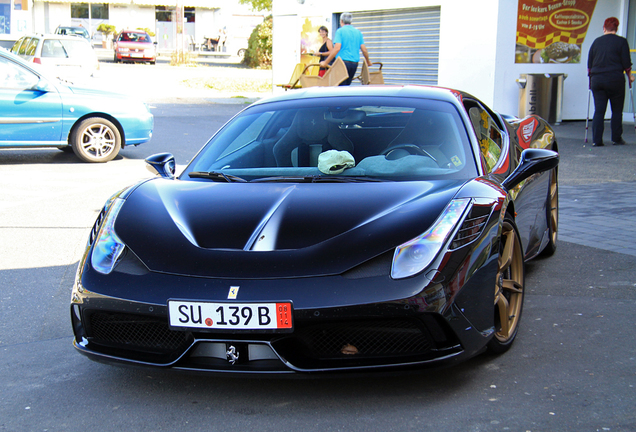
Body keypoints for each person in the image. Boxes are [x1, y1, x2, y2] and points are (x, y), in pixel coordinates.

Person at [587, 17, 635, 146]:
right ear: (616, 28)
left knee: (599, 111)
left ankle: (597, 140)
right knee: (617, 111)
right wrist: (630, 76)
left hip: (597, 80)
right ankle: (616, 138)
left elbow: (590, 64)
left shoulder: (596, 42)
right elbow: (626, 64)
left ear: (604, 28)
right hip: (615, 80)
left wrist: (591, 77)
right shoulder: (621, 42)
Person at [320, 12, 371, 85]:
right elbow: (364, 50)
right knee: (347, 85)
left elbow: (337, 48)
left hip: (342, 63)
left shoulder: (340, 31)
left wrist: (325, 62)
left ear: (341, 21)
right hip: (354, 64)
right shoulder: (358, 32)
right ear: (351, 22)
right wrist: (368, 61)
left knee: (340, 86)